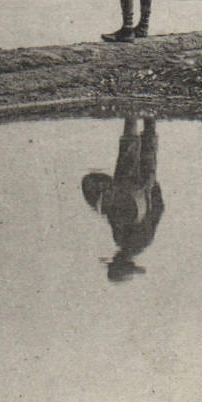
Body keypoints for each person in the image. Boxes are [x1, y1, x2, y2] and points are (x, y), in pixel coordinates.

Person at [81, 117, 165, 282]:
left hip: (143, 189)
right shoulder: (123, 239)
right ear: (120, 260)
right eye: (116, 260)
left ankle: (149, 118)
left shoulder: (140, 242)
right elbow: (116, 212)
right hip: (128, 190)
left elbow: (157, 211)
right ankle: (132, 116)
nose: (115, 256)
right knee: (129, 152)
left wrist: (154, 188)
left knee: (146, 152)